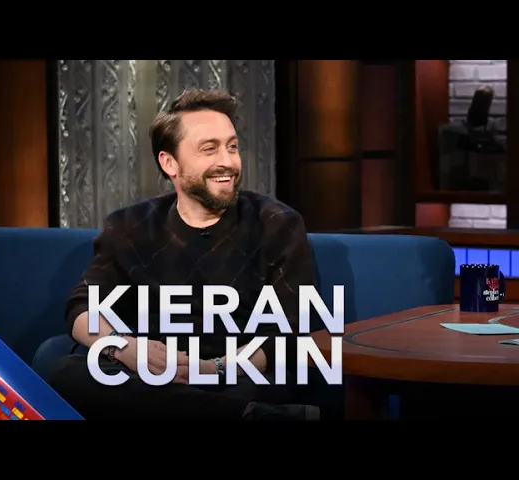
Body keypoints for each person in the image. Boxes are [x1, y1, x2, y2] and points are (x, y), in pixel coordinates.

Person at [48, 89, 322, 420]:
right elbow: (83, 307)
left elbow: (292, 331)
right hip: (153, 377)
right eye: (210, 149)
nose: (228, 162)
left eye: (232, 147)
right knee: (64, 373)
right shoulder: (130, 227)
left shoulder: (276, 223)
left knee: (266, 384)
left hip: (239, 373)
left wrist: (212, 368)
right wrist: (125, 347)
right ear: (170, 163)